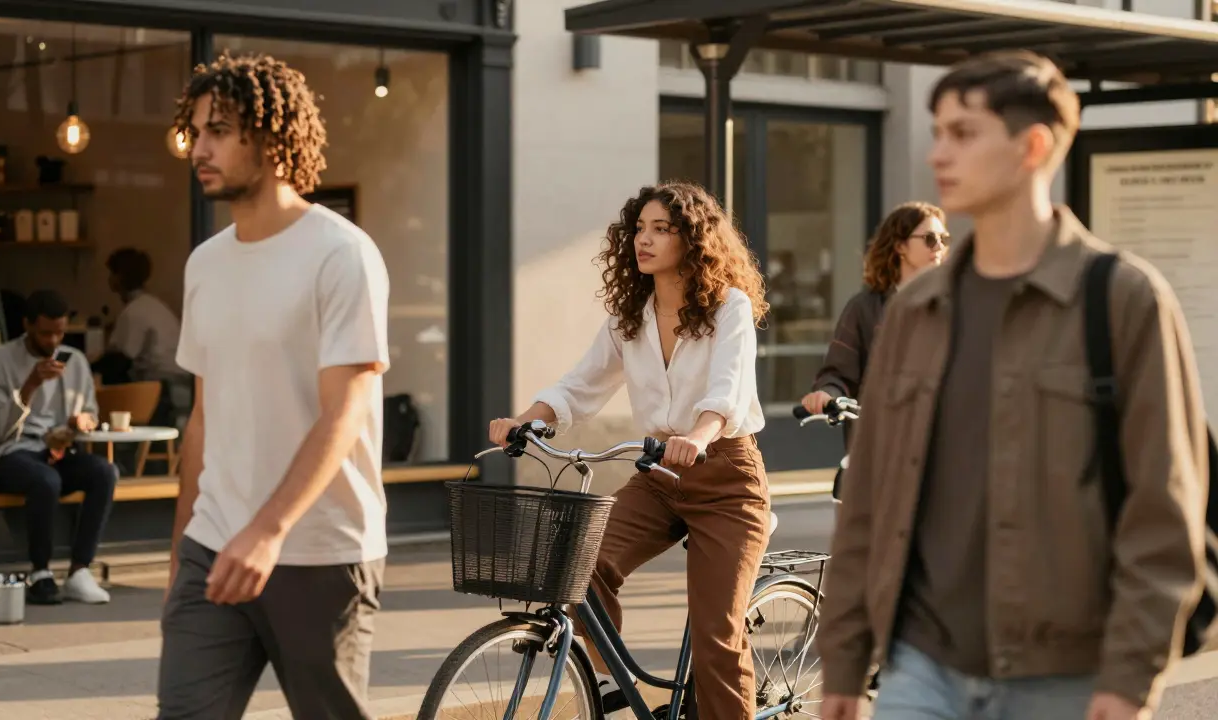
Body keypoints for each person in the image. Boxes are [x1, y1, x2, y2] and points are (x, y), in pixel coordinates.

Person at [818, 51, 1209, 720]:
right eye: (937, 132)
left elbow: (1164, 509)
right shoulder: (915, 311)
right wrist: (845, 663)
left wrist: (1128, 678)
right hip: (920, 669)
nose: (938, 153)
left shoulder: (1125, 299)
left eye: (963, 133)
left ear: (1032, 147)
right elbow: (868, 502)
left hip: (1067, 678)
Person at [156, 52, 390, 720]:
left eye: (219, 131)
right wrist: (180, 554)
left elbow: (344, 412)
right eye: (196, 131)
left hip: (320, 550)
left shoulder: (341, 254)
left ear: (271, 137)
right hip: (213, 547)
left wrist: (267, 531)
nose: (198, 149)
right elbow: (204, 419)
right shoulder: (205, 265)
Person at [489, 181, 770, 720]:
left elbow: (727, 390)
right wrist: (524, 421)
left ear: (693, 240)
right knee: (579, 565)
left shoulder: (728, 307)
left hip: (726, 479)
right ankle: (611, 677)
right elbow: (580, 386)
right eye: (640, 228)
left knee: (716, 634)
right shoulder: (630, 316)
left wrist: (698, 436)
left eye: (661, 229)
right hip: (659, 477)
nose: (645, 239)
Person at [0, 289, 116, 606]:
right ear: (27, 325)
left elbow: (90, 412)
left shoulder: (74, 361)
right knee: (45, 480)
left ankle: (80, 570)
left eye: (59, 333)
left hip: (59, 447)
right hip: (11, 451)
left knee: (104, 472)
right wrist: (30, 386)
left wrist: (83, 422)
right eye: (45, 333)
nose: (53, 341)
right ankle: (40, 572)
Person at [800, 201, 947, 422]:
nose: (939, 247)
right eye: (930, 238)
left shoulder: (953, 305)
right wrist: (827, 394)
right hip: (881, 433)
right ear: (900, 246)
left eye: (944, 239)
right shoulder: (864, 308)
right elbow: (839, 374)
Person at [97, 247, 193, 428]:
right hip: (180, 384)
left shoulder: (134, 311)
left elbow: (120, 360)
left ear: (119, 277)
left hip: (164, 388)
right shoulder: (153, 305)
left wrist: (86, 367)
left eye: (112, 273)